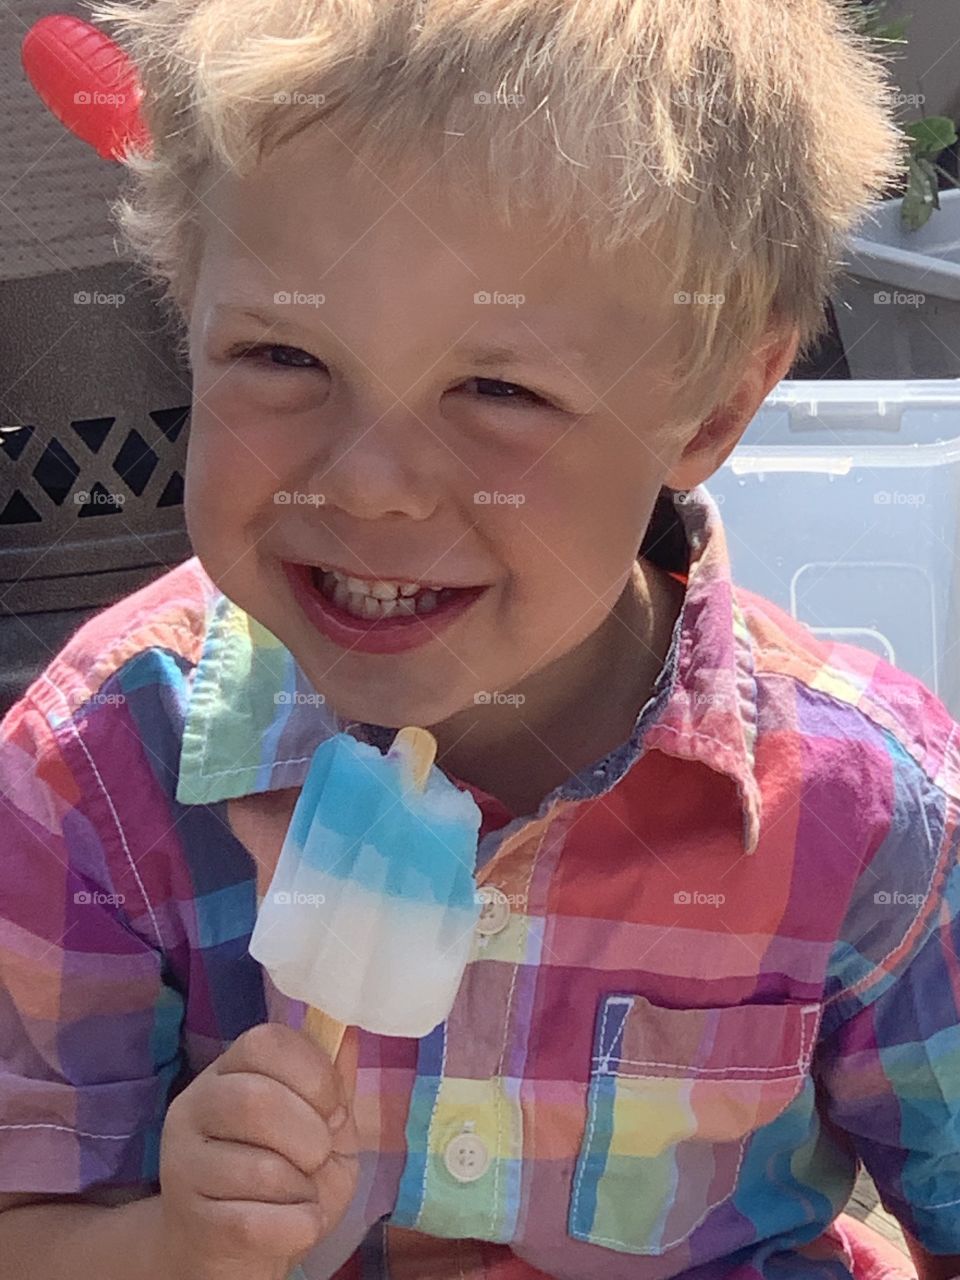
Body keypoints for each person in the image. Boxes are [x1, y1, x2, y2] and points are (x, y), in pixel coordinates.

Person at [1, 2, 957, 1278]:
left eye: (500, 389)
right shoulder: (93, 777)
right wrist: (173, 1242)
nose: (369, 482)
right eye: (281, 353)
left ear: (711, 410)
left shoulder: (875, 821)